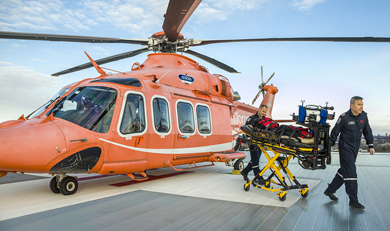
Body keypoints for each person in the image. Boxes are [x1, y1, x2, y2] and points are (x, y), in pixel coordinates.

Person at [324, 96, 375, 209]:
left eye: (362, 104)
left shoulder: (364, 116)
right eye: (358, 104)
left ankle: (330, 190)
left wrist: (370, 145)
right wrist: (328, 147)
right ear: (351, 105)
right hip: (345, 148)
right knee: (351, 172)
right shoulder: (344, 118)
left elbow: (368, 131)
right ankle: (353, 200)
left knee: (345, 171)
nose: (361, 107)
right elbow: (335, 132)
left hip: (355, 148)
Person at [241, 104, 268, 182]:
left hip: (260, 143)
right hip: (253, 142)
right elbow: (246, 129)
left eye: (265, 112)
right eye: (263, 111)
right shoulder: (252, 118)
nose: (263, 113)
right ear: (259, 109)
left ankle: (245, 171)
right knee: (255, 161)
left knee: (254, 160)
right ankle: (259, 178)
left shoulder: (264, 119)